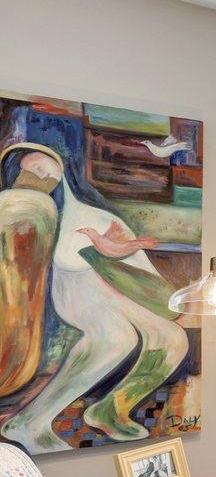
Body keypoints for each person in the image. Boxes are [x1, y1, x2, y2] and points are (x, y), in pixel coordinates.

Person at [0, 141, 188, 452]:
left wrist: (119, 251)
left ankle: (110, 409)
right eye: (33, 169)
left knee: (171, 338)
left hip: (111, 288)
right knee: (115, 338)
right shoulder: (29, 207)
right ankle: (29, 421)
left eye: (45, 164)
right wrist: (100, 250)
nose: (43, 170)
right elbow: (62, 259)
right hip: (75, 293)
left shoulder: (89, 212)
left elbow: (131, 259)